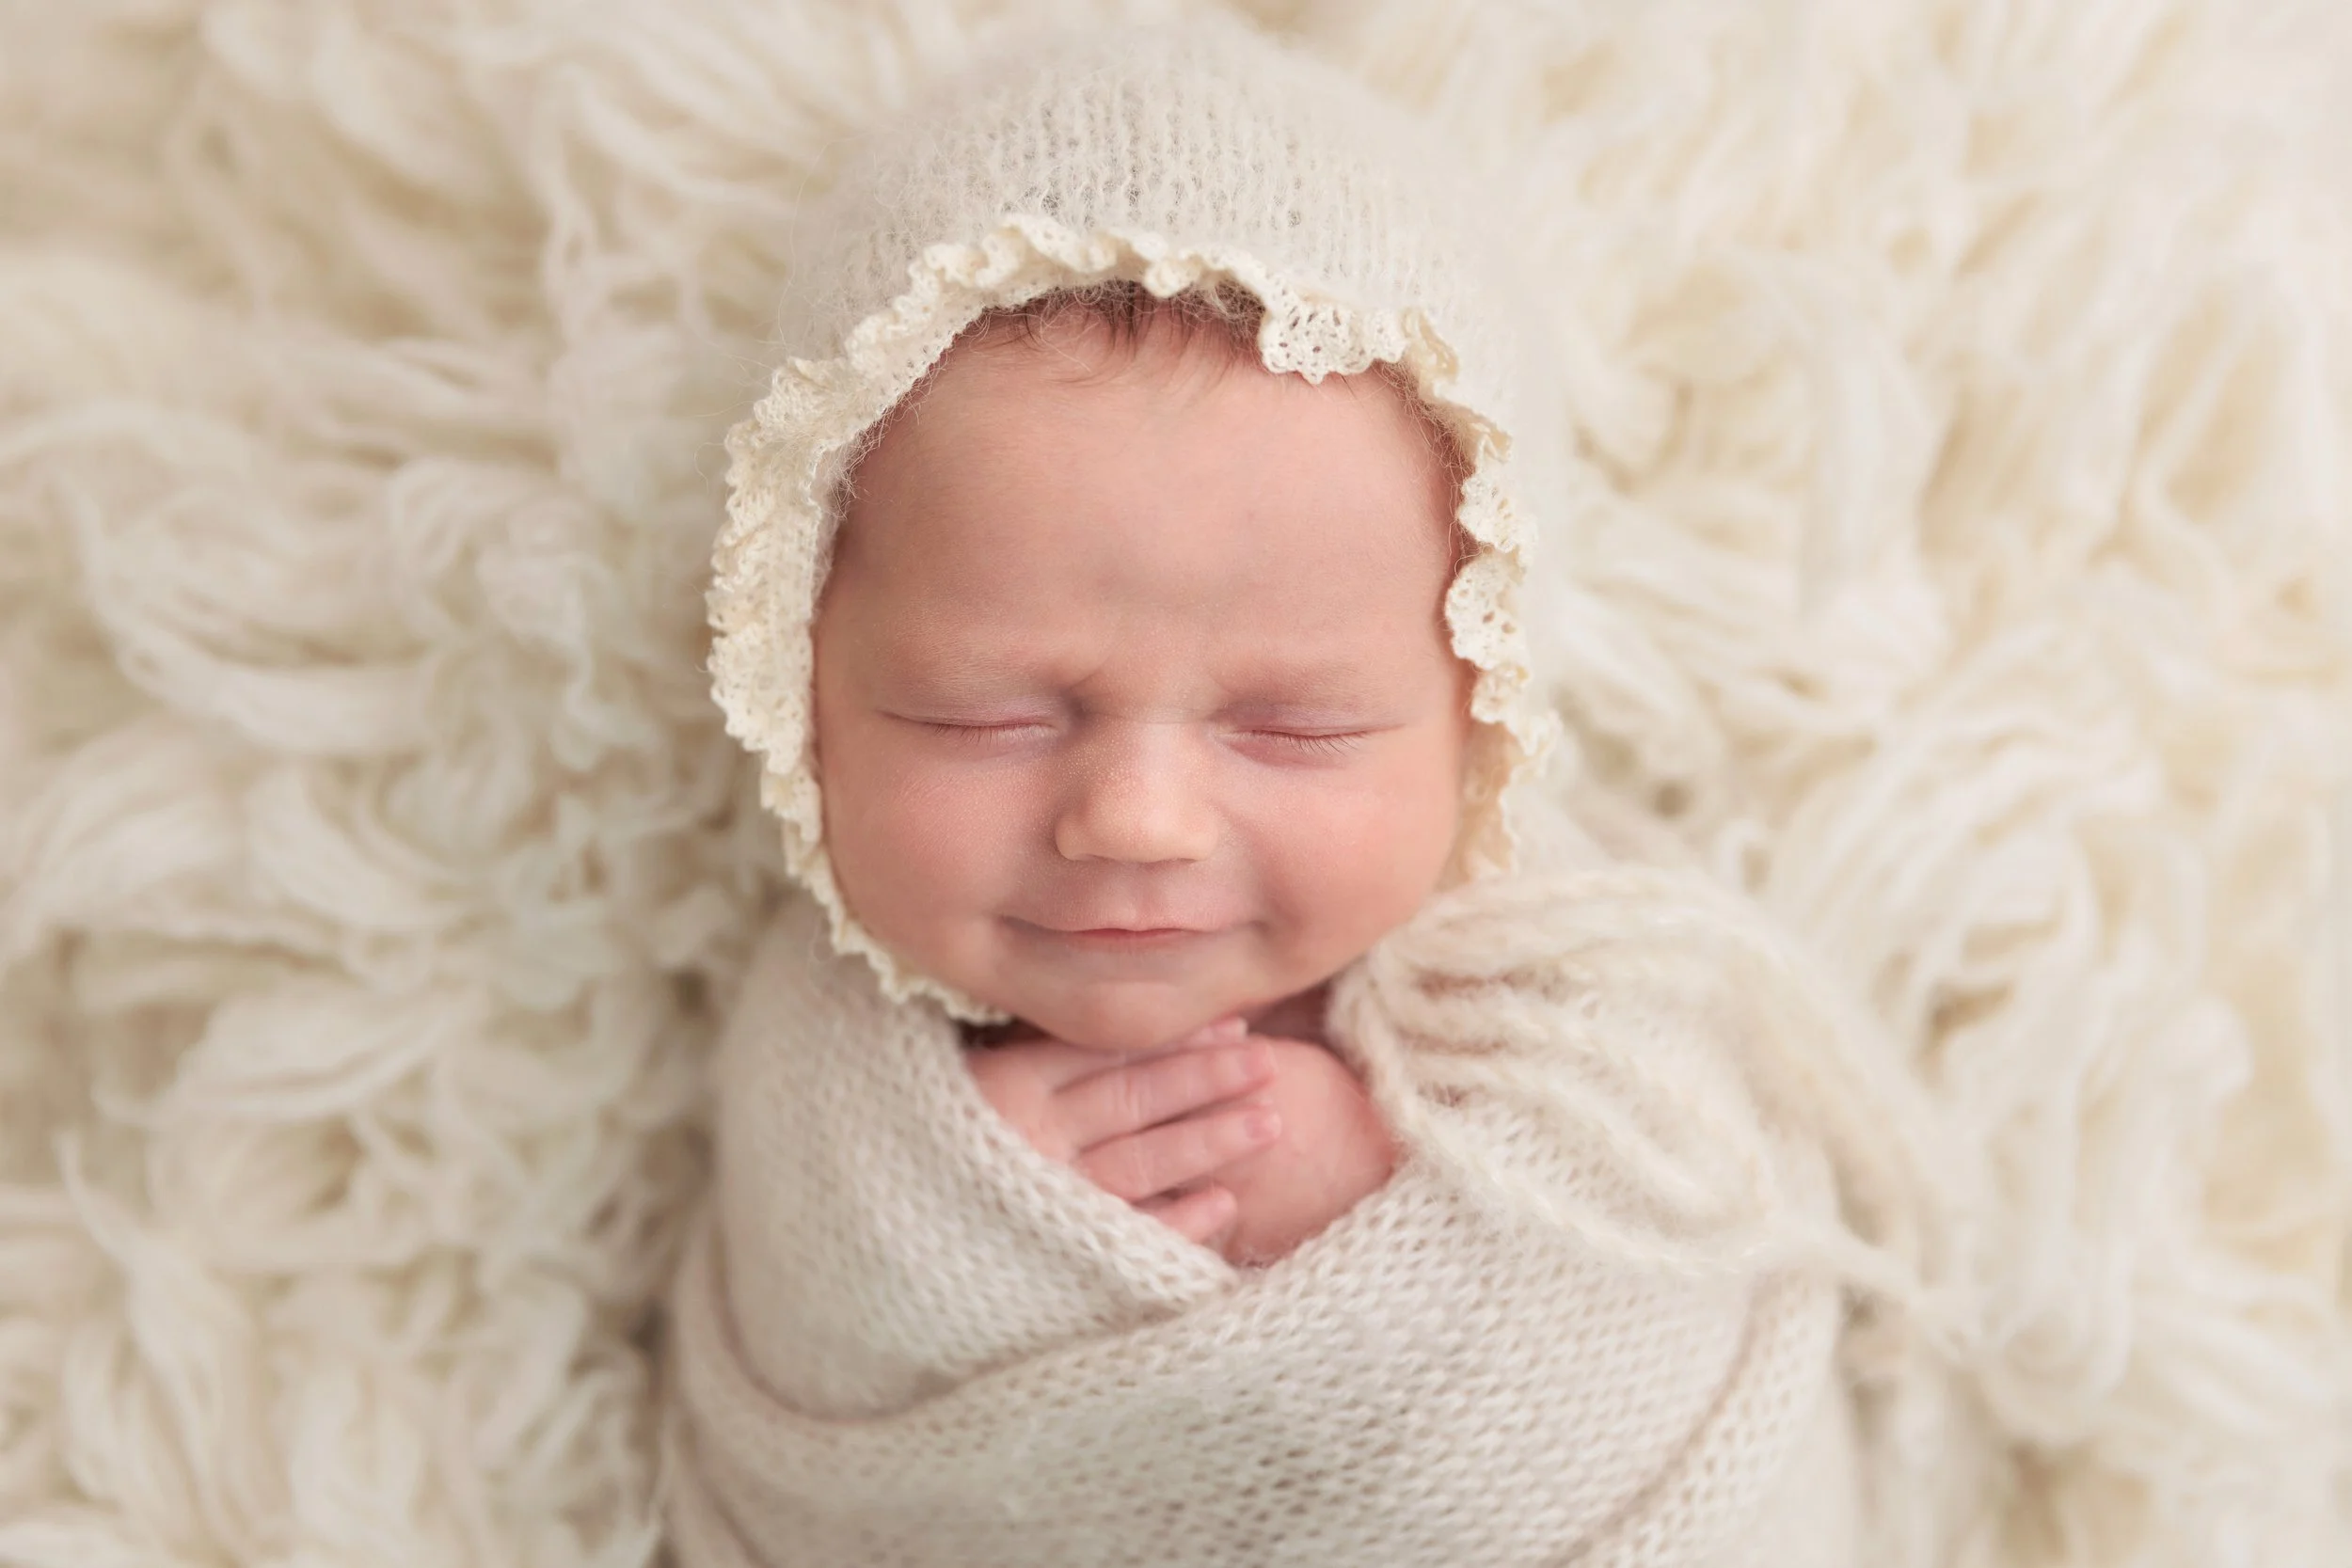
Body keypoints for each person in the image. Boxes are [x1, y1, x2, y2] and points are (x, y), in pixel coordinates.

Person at [663, 19, 1921, 1566]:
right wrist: (956, 1240)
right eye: (981, 713)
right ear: (802, 678)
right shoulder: (823, 1079)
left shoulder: (1585, 1003)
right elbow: (791, 1397)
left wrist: (1376, 1215)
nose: (1136, 817)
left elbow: (1690, 1311)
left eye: (1300, 726)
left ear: (1481, 702)